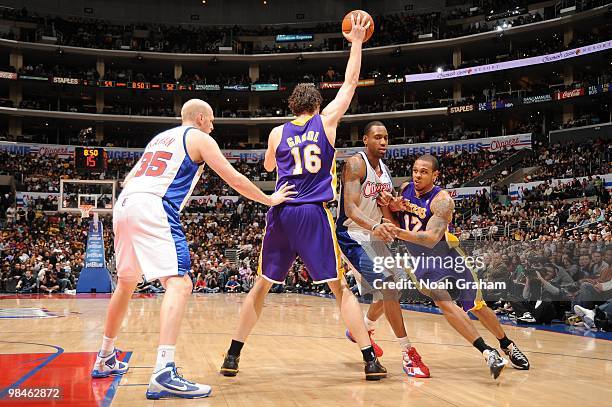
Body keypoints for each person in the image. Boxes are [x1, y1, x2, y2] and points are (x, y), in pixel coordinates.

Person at [90, 98, 295, 400]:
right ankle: (163, 370)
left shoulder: (159, 139)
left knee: (126, 283)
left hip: (125, 204)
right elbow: (234, 179)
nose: (213, 126)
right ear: (200, 118)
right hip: (154, 205)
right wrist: (270, 199)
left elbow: (131, 178)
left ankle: (105, 356)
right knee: (180, 283)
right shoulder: (198, 137)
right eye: (211, 120)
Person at [220, 13, 388, 381]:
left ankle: (232, 355)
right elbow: (349, 84)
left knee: (261, 285)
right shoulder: (326, 122)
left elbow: (267, 168)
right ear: (315, 105)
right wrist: (356, 43)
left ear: (293, 106)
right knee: (339, 287)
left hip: (281, 212)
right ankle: (369, 359)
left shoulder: (276, 134)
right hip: (313, 213)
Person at [384, 154, 530, 379]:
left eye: (423, 172)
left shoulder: (442, 200)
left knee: (476, 305)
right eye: (415, 170)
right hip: (422, 263)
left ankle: (506, 344)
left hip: (448, 254)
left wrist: (398, 232)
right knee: (444, 302)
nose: (417, 175)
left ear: (435, 175)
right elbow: (394, 217)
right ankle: (486, 351)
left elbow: (431, 238)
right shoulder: (404, 189)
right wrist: (388, 207)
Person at [336, 121, 430, 378]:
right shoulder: (356, 164)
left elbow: (384, 209)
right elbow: (350, 210)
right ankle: (407, 352)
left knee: (394, 288)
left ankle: (362, 328)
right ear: (366, 140)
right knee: (388, 286)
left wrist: (394, 208)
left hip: (374, 234)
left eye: (386, 137)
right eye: (377, 137)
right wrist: (376, 225)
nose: (383, 142)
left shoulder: (385, 171)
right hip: (352, 234)